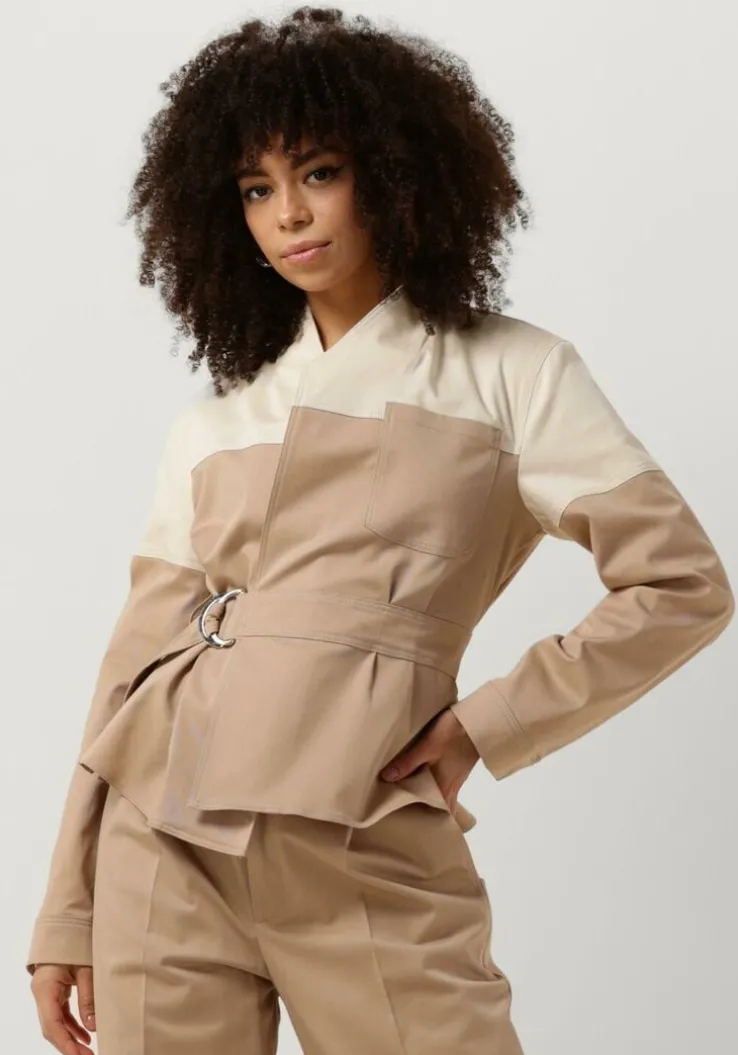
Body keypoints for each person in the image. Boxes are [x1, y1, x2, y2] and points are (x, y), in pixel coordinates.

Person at [27, 6, 734, 1055]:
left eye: (319, 172)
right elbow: (130, 671)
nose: (288, 214)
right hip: (160, 845)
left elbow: (682, 585)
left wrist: (488, 724)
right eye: (256, 189)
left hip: (362, 835)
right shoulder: (217, 421)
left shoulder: (512, 372)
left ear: (398, 174)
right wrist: (66, 910)